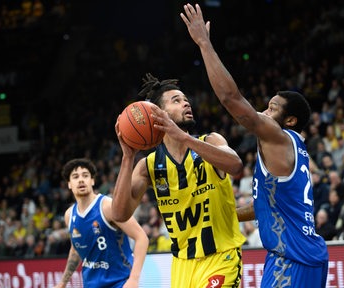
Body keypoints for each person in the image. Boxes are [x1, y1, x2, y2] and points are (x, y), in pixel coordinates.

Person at [180, 3, 329, 287]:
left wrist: (203, 44)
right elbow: (267, 203)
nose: (263, 113)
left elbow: (231, 99)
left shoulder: (279, 136)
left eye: (271, 109)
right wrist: (228, 215)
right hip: (296, 255)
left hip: (293, 259)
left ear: (291, 120)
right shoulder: (290, 148)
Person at [111, 73, 246, 287]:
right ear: (158, 115)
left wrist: (183, 137)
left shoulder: (210, 141)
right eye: (176, 100)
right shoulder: (148, 165)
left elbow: (236, 166)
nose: (186, 103)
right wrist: (128, 158)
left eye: (185, 99)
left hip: (221, 258)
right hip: (182, 265)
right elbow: (119, 214)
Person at [54, 158, 148, 288]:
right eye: (75, 177)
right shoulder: (69, 215)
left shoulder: (107, 206)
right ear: (69, 184)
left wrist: (134, 279)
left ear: (92, 181)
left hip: (120, 282)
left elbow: (141, 237)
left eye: (85, 176)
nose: (81, 180)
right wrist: (63, 283)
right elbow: (76, 249)